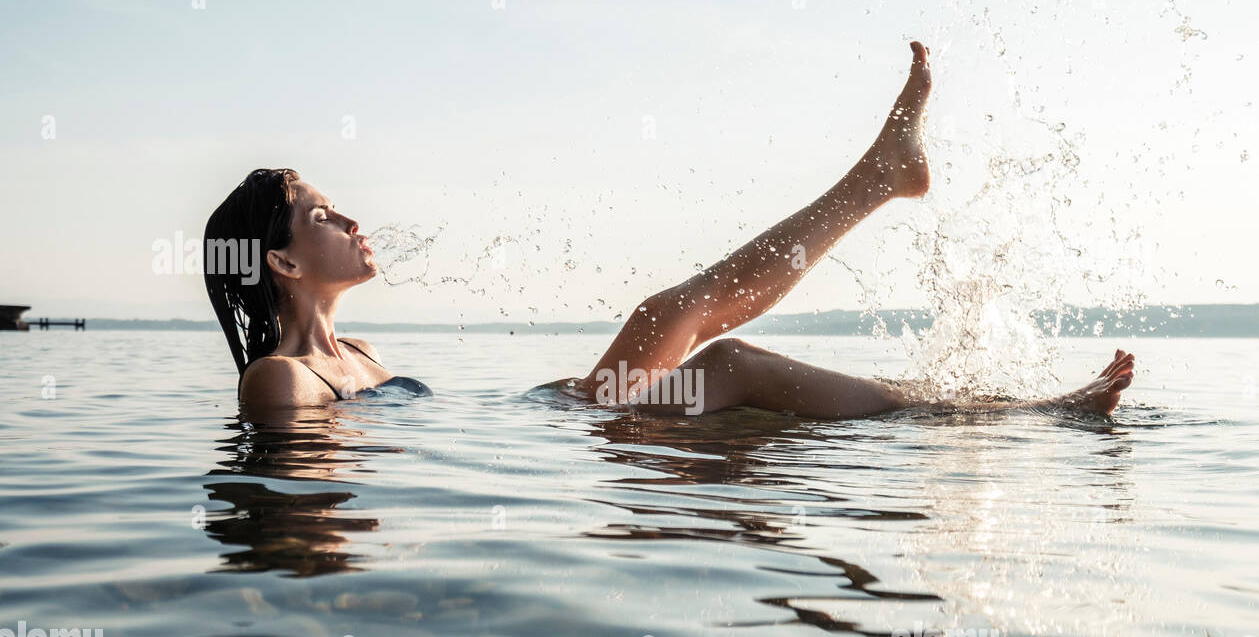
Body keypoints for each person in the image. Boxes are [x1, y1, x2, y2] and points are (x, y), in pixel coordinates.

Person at [204, 41, 1134, 416]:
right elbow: (305, 515)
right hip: (566, 447)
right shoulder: (280, 379)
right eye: (322, 215)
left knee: (706, 338)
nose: (351, 216)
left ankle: (890, 195)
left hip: (560, 415)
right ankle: (1009, 410)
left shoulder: (354, 353)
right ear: (281, 259)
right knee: (707, 346)